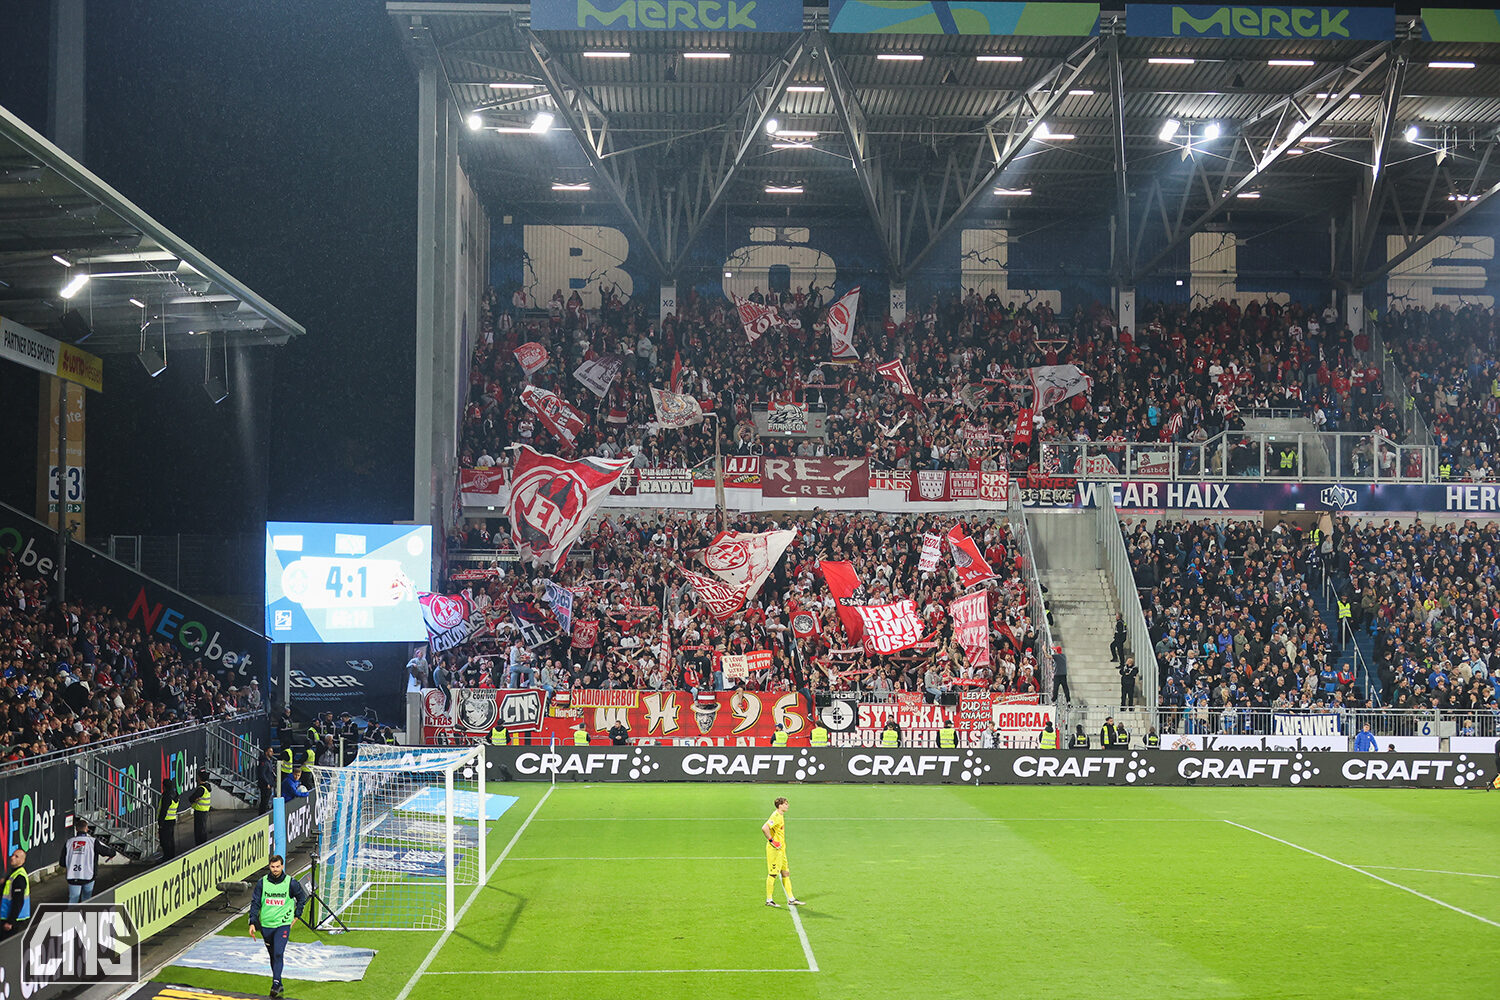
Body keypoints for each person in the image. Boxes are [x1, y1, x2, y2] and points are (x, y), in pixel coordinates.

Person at [248, 854, 308, 999]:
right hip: (266, 925)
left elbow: (302, 898)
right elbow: (255, 903)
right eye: (273, 867)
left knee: (279, 953)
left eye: (278, 867)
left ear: (282, 866)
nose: (275, 869)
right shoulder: (262, 883)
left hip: (283, 924)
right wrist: (252, 922)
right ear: (269, 866)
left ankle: (275, 984)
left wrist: (296, 915)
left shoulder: (291, 883)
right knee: (272, 955)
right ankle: (279, 982)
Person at [60, 818, 117, 903]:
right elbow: (104, 851)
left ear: (76, 829)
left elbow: (62, 862)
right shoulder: (92, 841)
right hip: (88, 875)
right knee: (87, 899)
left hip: (73, 875)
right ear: (86, 829)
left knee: (73, 899)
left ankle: (71, 916)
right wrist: (113, 853)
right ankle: (84, 915)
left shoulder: (69, 842)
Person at [761, 796, 802, 907]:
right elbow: (765, 828)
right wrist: (772, 841)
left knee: (785, 873)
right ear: (780, 805)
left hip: (781, 850)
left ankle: (791, 899)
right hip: (774, 850)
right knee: (773, 874)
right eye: (785, 803)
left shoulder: (780, 815)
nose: (787, 805)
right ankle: (769, 900)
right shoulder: (776, 816)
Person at [1, 849, 29, 939]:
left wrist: (10, 921)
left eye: (16, 856)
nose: (12, 858)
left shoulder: (19, 877)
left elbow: (18, 901)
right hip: (8, 916)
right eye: (12, 855)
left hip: (13, 920)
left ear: (22, 860)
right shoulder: (14, 873)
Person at [189, 768, 214, 846]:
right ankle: (202, 845)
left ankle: (200, 846)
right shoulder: (207, 787)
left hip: (200, 811)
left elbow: (191, 798)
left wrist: (194, 800)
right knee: (202, 829)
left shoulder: (201, 789)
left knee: (199, 831)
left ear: (199, 778)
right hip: (205, 811)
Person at [158, 775, 180, 861]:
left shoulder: (166, 797)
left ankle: (167, 857)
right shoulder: (175, 794)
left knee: (165, 840)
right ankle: (171, 855)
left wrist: (160, 822)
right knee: (170, 839)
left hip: (166, 821)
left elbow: (164, 810)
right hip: (172, 819)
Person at [258, 747, 279, 815]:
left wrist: (274, 777)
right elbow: (262, 774)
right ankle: (262, 814)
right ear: (266, 752)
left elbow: (270, 772)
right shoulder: (264, 762)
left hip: (270, 784)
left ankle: (264, 813)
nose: (272, 753)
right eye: (270, 751)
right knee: (264, 800)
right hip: (265, 785)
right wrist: (267, 783)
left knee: (267, 800)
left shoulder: (269, 761)